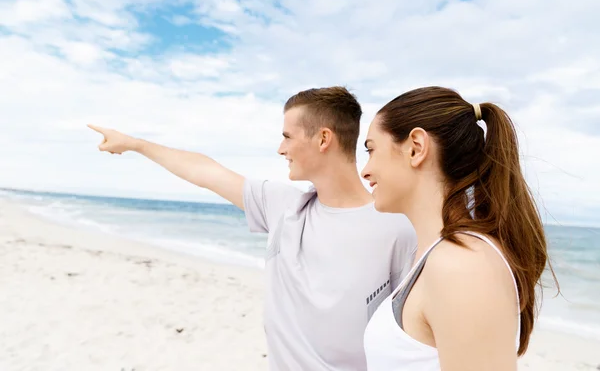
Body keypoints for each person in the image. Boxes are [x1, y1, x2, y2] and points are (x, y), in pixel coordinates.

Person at [88, 86, 417, 370]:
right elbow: (205, 171)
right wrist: (136, 145)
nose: (281, 148)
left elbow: (412, 337)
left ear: (323, 139)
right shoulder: (283, 206)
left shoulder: (397, 229)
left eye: (287, 136)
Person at [361, 86, 558, 370]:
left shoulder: (461, 265)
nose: (365, 170)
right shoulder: (438, 256)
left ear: (416, 147)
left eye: (371, 150)